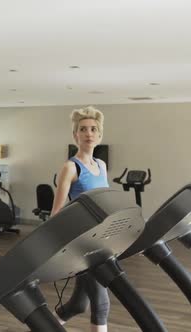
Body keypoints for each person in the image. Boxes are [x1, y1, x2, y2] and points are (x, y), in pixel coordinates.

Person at [51, 106, 110, 332]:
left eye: (93, 129)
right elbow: (56, 213)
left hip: (102, 240)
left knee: (77, 305)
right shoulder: (70, 167)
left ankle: (43, 327)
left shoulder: (102, 166)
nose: (89, 133)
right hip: (82, 244)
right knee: (101, 304)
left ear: (99, 135)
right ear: (75, 135)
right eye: (83, 129)